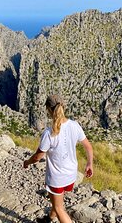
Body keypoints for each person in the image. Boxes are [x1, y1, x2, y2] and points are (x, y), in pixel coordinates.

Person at [24, 94, 93, 223]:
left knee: (59, 207)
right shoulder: (75, 125)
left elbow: (38, 156)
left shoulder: (49, 133)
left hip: (57, 178)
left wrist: (27, 162)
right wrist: (89, 164)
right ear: (63, 107)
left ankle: (54, 217)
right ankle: (49, 219)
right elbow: (88, 147)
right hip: (71, 174)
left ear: (48, 110)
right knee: (57, 201)